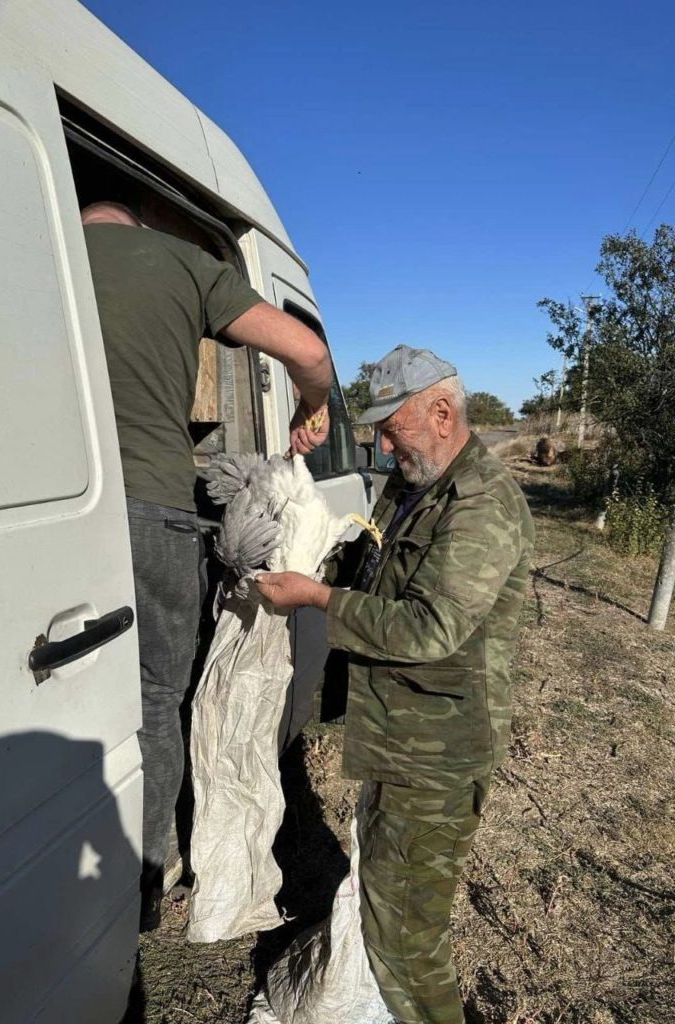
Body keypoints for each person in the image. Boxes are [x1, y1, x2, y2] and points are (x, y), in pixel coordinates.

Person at [257, 345, 534, 1024]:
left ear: (442, 413)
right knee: (385, 897)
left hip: (437, 752)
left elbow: (428, 630)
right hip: (400, 733)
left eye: (391, 428)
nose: (381, 444)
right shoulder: (416, 484)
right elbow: (373, 559)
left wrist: (319, 600)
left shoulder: (481, 503)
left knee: (408, 936)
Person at [81, 201, 332, 930]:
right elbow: (308, 355)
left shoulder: (38, 247)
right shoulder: (183, 261)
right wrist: (308, 409)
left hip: (50, 495)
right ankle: (145, 877)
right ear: (134, 225)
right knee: (158, 694)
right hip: (149, 505)